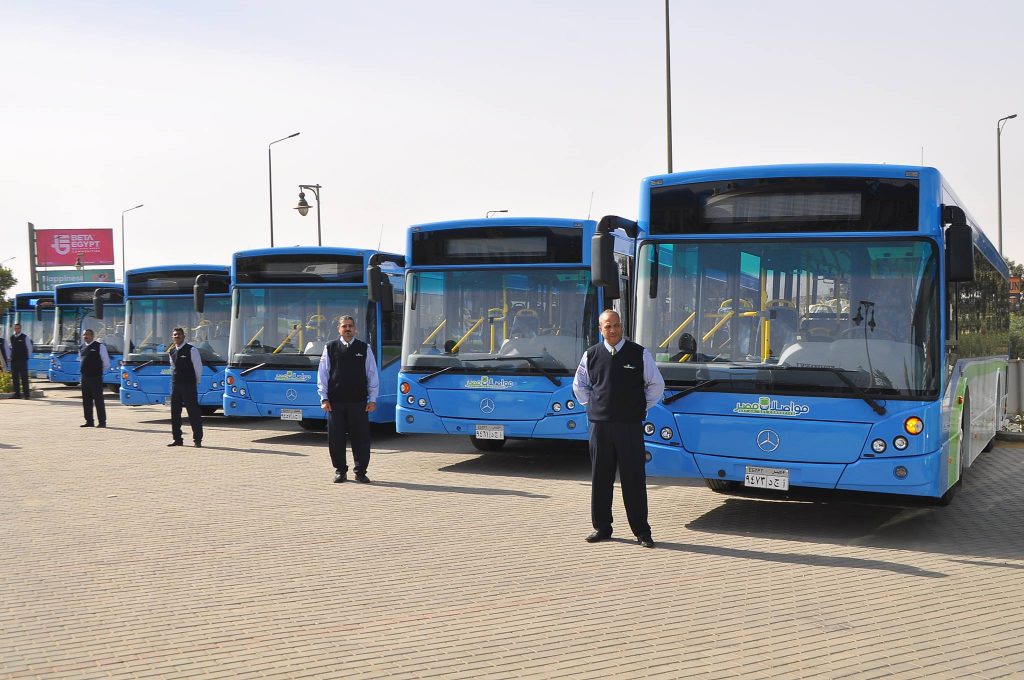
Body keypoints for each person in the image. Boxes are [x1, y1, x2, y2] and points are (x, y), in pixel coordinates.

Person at [573, 309, 665, 548]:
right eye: (607, 326)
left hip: (629, 426)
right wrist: (593, 406)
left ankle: (642, 531)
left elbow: (656, 384)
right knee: (600, 478)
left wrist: (641, 407)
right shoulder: (590, 355)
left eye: (616, 325)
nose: (612, 330)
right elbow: (579, 386)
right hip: (600, 427)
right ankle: (602, 527)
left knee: (634, 478)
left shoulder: (639, 354)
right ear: (600, 329)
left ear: (621, 326)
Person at [317, 315, 379, 484]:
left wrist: (372, 399)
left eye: (350, 326)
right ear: (339, 329)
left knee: (361, 439)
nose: (347, 329)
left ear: (355, 328)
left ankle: (360, 472)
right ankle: (340, 471)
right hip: (335, 403)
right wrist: (324, 398)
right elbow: (322, 374)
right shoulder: (330, 348)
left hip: (358, 402)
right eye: (344, 326)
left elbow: (372, 374)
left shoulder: (364, 348)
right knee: (336, 439)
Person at [167, 327, 204, 448]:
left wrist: (196, 382)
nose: (176, 336)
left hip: (189, 385)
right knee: (175, 413)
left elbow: (198, 368)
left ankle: (197, 440)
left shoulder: (191, 350)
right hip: (176, 385)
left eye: (178, 335)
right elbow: (172, 367)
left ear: (183, 336)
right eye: (174, 335)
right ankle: (177, 439)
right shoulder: (171, 351)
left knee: (193, 412)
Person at [78, 328, 110, 427]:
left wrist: (98, 372)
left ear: (92, 336)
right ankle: (89, 421)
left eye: (87, 334)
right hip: (85, 378)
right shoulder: (81, 347)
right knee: (86, 400)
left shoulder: (99, 347)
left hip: (95, 377)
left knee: (98, 400)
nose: (85, 336)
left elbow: (106, 363)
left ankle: (102, 422)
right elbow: (80, 361)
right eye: (84, 335)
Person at [9, 323, 33, 399]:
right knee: (15, 378)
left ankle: (26, 395)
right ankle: (17, 394)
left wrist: (26, 357)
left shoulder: (25, 337)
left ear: (20, 329)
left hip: (22, 361)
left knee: (24, 378)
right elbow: (11, 348)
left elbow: (29, 348)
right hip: (14, 361)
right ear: (14, 329)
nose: (17, 330)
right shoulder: (12, 337)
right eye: (15, 328)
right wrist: (10, 357)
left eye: (18, 328)